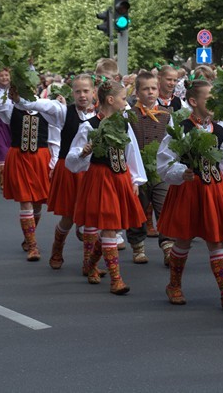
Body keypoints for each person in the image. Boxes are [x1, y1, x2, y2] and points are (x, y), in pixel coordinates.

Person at [156, 80, 223, 309]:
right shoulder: (182, 128)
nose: (214, 103)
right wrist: (180, 172)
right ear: (194, 102)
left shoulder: (219, 129)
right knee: (184, 239)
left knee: (217, 240)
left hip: (213, 189)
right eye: (209, 98)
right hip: (189, 189)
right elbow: (164, 162)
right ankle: (174, 285)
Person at [66, 80, 147, 295]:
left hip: (120, 178)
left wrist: (135, 180)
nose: (125, 102)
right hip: (101, 178)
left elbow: (132, 153)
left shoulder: (123, 124)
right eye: (122, 98)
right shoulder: (89, 125)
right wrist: (84, 152)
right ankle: (116, 279)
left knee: (114, 226)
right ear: (110, 100)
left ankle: (91, 263)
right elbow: (72, 159)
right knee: (109, 226)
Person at [11, 74, 97, 270]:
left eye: (86, 91)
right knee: (69, 217)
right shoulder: (64, 111)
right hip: (69, 171)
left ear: (93, 92)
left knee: (92, 216)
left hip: (93, 172)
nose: (82, 95)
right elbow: (40, 105)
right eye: (78, 91)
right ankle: (57, 248)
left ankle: (89, 262)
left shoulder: (101, 115)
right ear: (72, 93)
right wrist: (19, 99)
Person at [0, 60, 51, 262]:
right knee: (25, 201)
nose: (23, 90)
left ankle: (29, 237)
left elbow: (58, 135)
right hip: (20, 158)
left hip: (42, 159)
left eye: (28, 86)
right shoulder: (10, 108)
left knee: (37, 205)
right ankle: (33, 246)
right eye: (19, 87)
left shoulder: (47, 107)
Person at [125, 72, 174, 266]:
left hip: (160, 171)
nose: (150, 92)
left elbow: (172, 142)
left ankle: (168, 246)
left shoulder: (166, 115)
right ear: (137, 92)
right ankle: (137, 246)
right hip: (138, 171)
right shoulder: (129, 115)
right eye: (145, 89)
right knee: (137, 209)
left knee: (165, 208)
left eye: (153, 88)